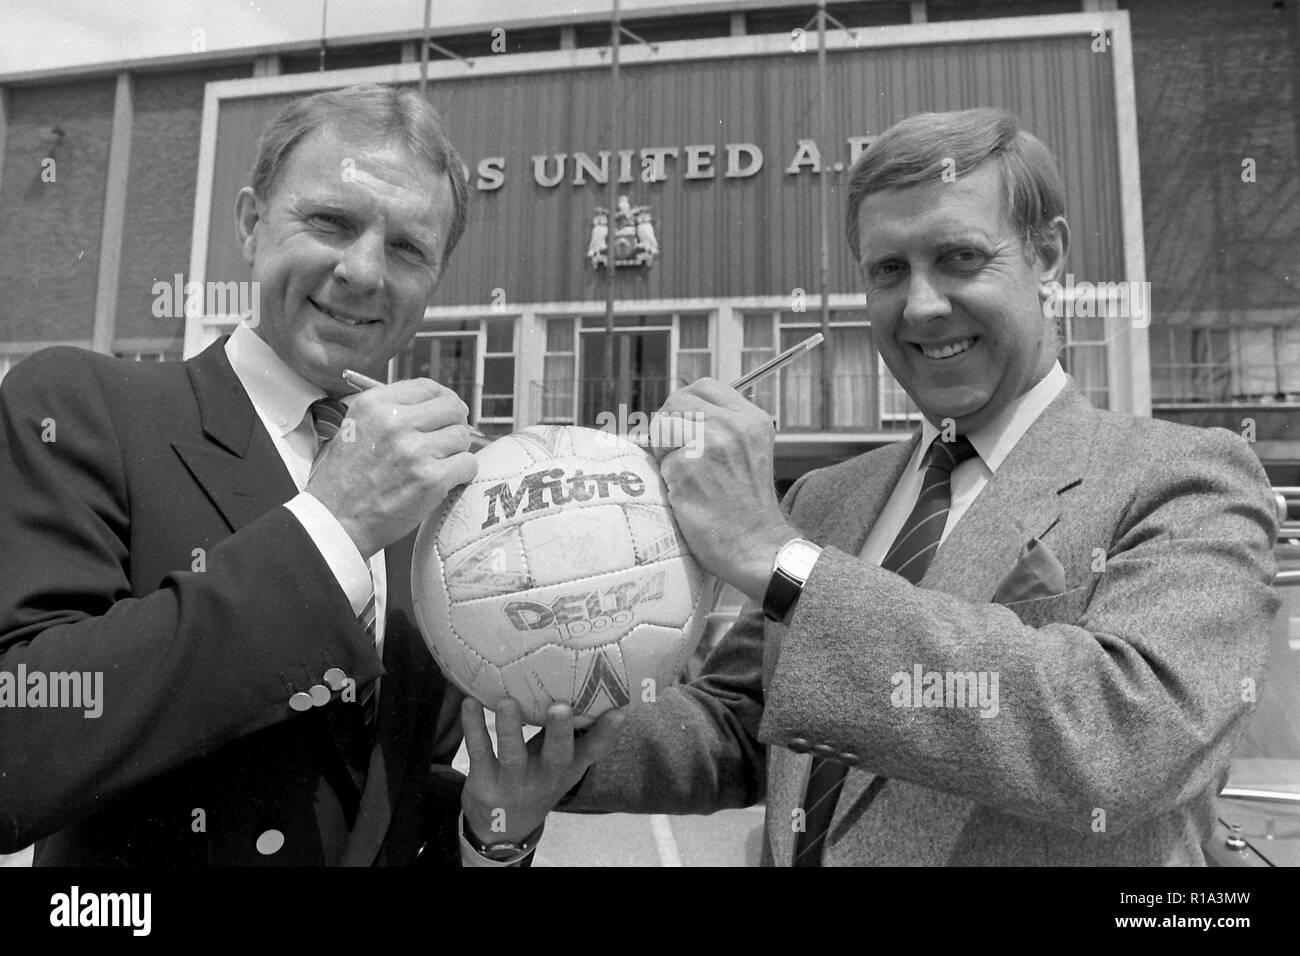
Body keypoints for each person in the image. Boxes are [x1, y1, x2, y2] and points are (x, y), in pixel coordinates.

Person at [461, 108, 1280, 866]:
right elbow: (746, 726)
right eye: (889, 270)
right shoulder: (831, 498)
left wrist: (771, 555)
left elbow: (1124, 737)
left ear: (1048, 254)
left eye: (959, 257)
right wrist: (547, 725)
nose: (922, 306)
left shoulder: (1186, 474)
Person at [0, 83, 604, 867]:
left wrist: (495, 833)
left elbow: (391, 801)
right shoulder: (85, 408)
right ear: (252, 224)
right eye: (330, 222)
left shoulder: (444, 508)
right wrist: (333, 528)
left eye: (407, 248)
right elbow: (20, 744)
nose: (362, 271)